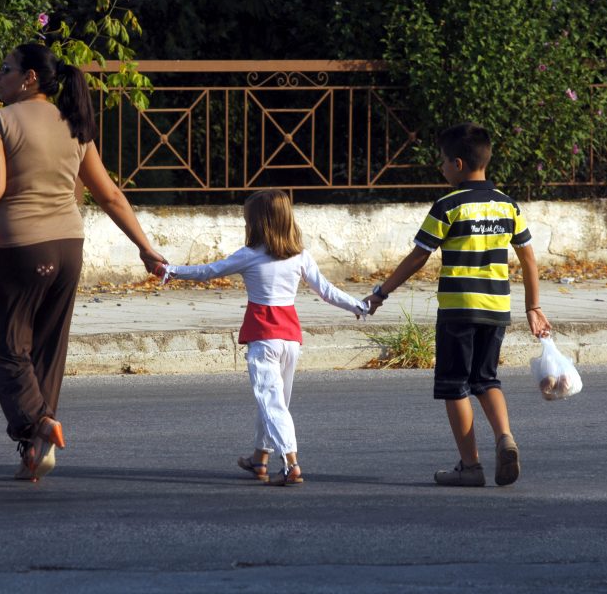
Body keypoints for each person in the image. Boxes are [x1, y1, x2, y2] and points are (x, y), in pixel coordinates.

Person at [0, 43, 165, 482]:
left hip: (19, 248)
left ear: (29, 78)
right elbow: (110, 195)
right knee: (48, 348)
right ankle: (35, 451)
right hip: (69, 247)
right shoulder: (75, 125)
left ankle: (36, 424)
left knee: (8, 346)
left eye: (5, 69)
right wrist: (145, 248)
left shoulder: (0, 121)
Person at [364, 123, 551, 487]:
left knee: (454, 385)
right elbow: (528, 257)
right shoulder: (507, 204)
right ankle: (505, 437)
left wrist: (382, 292)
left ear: (460, 164)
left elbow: (419, 255)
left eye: (444, 162)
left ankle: (470, 467)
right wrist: (533, 306)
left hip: (458, 309)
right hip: (497, 308)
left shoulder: (448, 205)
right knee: (486, 379)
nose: (442, 168)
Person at [157, 190, 368, 486]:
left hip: (264, 338)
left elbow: (208, 271)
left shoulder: (249, 256)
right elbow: (328, 291)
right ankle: (260, 459)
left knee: (271, 403)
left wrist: (171, 271)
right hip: (291, 340)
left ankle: (291, 464)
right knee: (273, 401)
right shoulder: (301, 257)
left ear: (258, 224)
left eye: (247, 220)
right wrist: (360, 306)